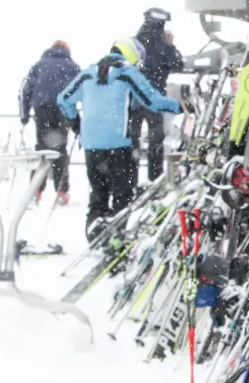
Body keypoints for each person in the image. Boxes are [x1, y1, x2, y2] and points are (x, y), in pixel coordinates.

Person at [58, 38, 181, 239]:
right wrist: (179, 105)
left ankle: (94, 235)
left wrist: (76, 123)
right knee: (122, 195)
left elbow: (63, 99)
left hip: (91, 144)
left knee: (98, 194)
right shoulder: (127, 73)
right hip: (119, 144)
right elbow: (151, 100)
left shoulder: (88, 73)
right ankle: (117, 238)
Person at [19, 40, 81, 204]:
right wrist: (77, 122)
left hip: (42, 108)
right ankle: (62, 191)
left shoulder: (39, 65)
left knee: (42, 148)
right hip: (63, 108)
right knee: (60, 149)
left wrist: (24, 114)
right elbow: (82, 89)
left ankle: (36, 190)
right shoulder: (73, 66)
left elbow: (25, 90)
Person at [132, 8, 185, 185]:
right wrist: (170, 45)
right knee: (156, 139)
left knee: (132, 139)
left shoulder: (135, 42)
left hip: (133, 98)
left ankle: (130, 180)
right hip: (156, 98)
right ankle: (154, 179)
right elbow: (178, 64)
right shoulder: (163, 45)